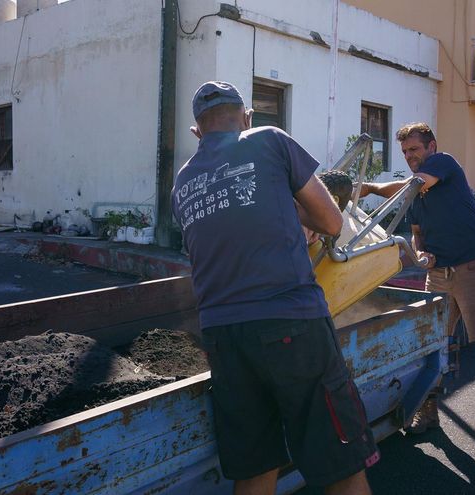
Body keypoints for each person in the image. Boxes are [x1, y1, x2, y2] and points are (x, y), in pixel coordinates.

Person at [171, 81, 377, 495]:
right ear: (247, 117)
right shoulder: (269, 140)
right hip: (291, 324)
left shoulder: (182, 183)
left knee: (255, 468)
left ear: (197, 132)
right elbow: (333, 223)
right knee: (340, 461)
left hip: (224, 340)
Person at [360, 122, 475, 460]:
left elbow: (410, 186)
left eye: (415, 150)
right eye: (405, 152)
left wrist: (369, 188)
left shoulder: (444, 164)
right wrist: (421, 253)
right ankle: (430, 410)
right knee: (430, 345)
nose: (410, 157)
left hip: (474, 266)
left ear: (431, 147)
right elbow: (418, 233)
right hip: (438, 273)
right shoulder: (416, 195)